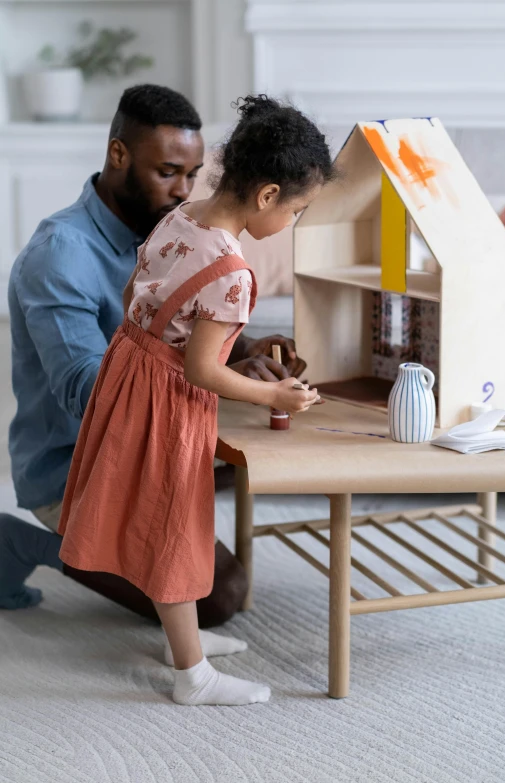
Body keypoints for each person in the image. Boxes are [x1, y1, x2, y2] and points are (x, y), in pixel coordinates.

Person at [0, 85, 307, 642]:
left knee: (219, 501)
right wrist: (220, 386)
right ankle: (29, 542)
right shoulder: (58, 254)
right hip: (74, 462)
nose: (183, 191)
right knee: (217, 597)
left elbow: (175, 328)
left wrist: (242, 350)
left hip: (143, 436)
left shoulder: (174, 228)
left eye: (193, 174)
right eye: (168, 172)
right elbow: (84, 388)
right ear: (119, 154)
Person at [58, 93, 332, 706]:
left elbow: (140, 292)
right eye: (297, 211)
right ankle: (193, 676)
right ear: (267, 196)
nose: (291, 224)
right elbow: (204, 370)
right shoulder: (233, 272)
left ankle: (183, 642)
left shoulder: (181, 215)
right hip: (166, 399)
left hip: (127, 370)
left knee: (162, 520)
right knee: (173, 529)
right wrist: (273, 392)